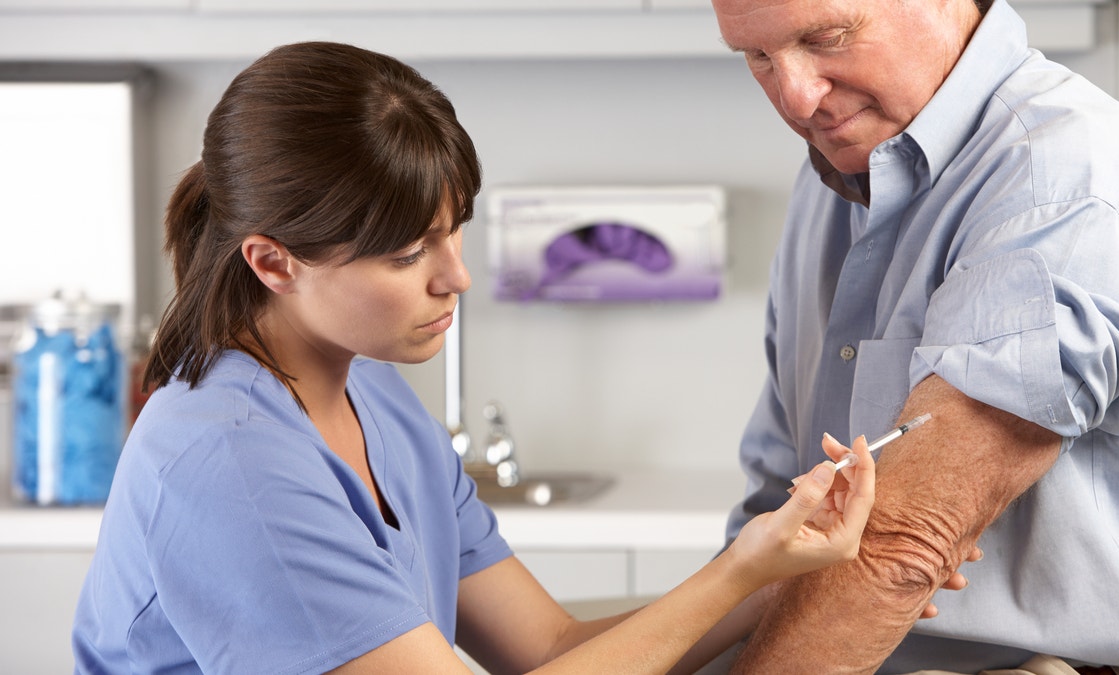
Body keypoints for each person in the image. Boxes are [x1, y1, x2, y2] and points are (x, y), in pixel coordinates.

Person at [69, 41, 880, 675]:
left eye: (453, 230)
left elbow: (550, 647)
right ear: (274, 262)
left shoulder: (374, 394)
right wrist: (739, 572)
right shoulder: (231, 461)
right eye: (405, 254)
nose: (455, 275)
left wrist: (784, 573)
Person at [709, 0, 1119, 672]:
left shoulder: (1060, 184)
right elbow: (777, 522)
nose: (796, 96)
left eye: (828, 38)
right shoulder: (833, 179)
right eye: (757, 57)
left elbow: (903, 547)